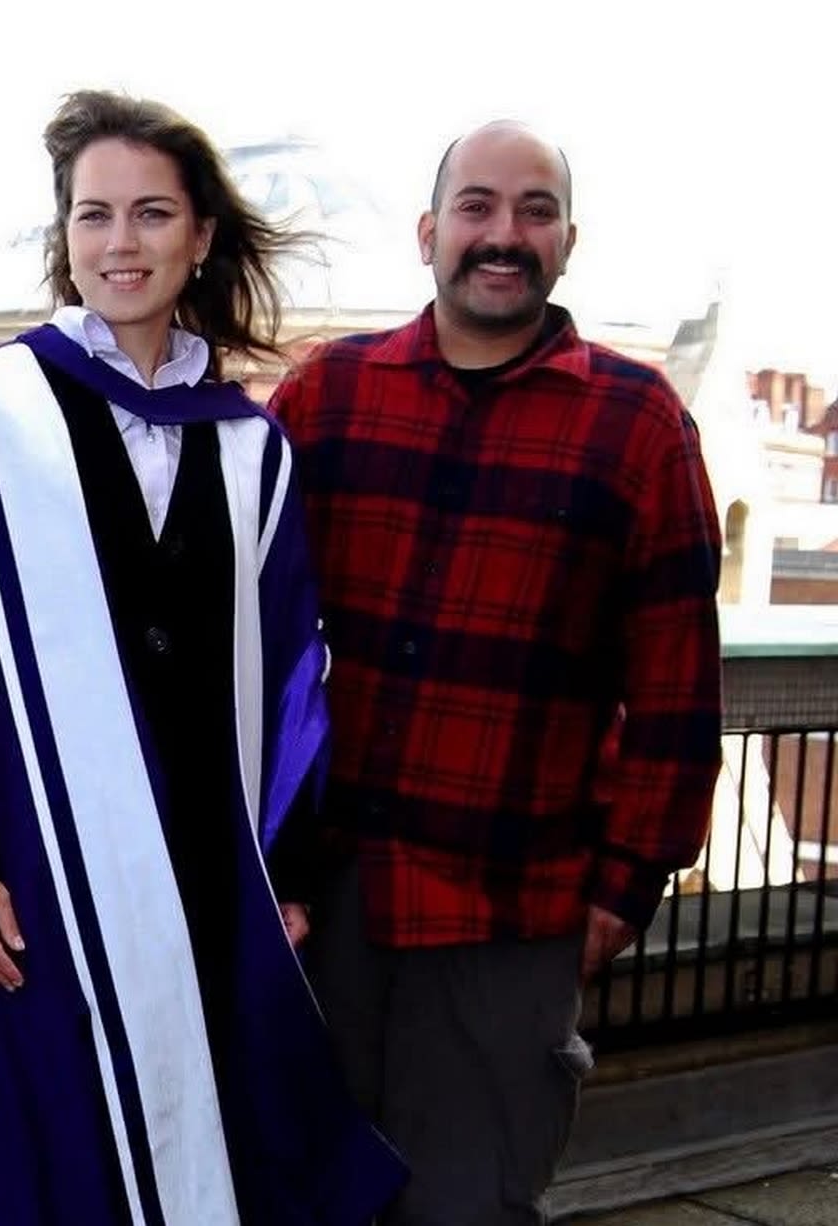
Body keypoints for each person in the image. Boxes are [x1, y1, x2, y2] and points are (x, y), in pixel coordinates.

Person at [0, 89, 405, 1226]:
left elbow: (292, 672)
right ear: (61, 237)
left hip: (198, 877)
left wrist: (287, 871)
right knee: (30, 1158)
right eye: (92, 215)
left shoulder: (249, 448)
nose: (120, 244)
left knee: (198, 1147)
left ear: (200, 237)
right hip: (26, 871)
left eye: (151, 215)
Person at [269, 120, 724, 1225]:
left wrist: (622, 891)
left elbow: (673, 689)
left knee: (468, 1206)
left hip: (512, 915)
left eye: (532, 210)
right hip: (325, 903)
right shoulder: (328, 396)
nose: (501, 234)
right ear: (429, 233)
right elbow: (236, 619)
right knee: (297, 1195)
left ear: (566, 240)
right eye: (475, 207)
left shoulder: (636, 426)